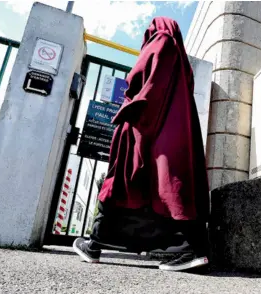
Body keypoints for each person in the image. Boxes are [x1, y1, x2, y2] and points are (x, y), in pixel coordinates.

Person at [73, 17, 210, 272]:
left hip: (148, 125)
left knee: (124, 182)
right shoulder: (182, 62)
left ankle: (94, 244)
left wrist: (129, 110)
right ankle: (185, 249)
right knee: (168, 188)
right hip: (175, 134)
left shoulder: (162, 41)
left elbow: (141, 81)